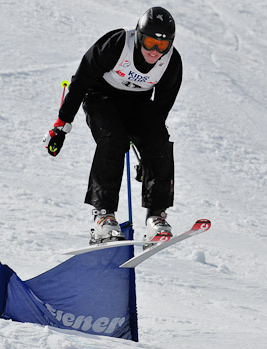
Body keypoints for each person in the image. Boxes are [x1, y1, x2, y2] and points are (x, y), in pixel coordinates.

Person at [43, 6, 182, 243]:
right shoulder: (118, 44)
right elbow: (80, 81)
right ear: (139, 36)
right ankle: (103, 216)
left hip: (137, 104)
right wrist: (61, 126)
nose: (154, 51)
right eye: (149, 42)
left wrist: (148, 159)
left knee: (159, 140)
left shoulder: (171, 62)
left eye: (162, 45)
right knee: (113, 139)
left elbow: (159, 113)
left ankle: (156, 217)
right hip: (101, 97)